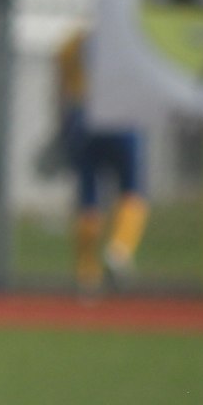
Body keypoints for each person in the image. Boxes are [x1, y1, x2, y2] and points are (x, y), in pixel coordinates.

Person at [51, 24, 149, 293]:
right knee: (132, 191)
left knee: (88, 198)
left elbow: (60, 92)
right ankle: (119, 248)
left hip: (82, 119)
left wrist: (61, 131)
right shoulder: (132, 39)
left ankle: (86, 273)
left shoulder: (71, 43)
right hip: (122, 118)